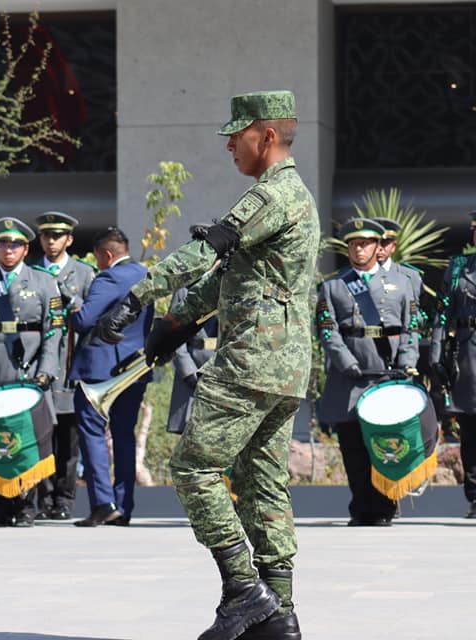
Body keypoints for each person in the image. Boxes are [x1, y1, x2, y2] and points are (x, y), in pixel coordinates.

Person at [96, 91, 317, 640]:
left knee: (193, 467)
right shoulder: (293, 199)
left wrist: (139, 295)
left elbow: (209, 251)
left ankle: (245, 592)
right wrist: (175, 324)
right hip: (283, 369)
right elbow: (227, 281)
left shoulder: (272, 194)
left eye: (236, 134)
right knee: (264, 484)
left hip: (249, 361)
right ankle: (279, 616)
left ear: (266, 136)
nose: (227, 144)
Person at [0, 216, 63, 527]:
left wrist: (46, 371)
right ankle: (1, 507)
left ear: (25, 248)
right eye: (3, 243)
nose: (8, 249)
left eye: (15, 244)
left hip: (29, 372)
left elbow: (54, 330)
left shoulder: (44, 281)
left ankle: (27, 506)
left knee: (30, 440)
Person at [317, 218, 417, 528]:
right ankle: (361, 508)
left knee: (385, 445)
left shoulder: (402, 283)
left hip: (386, 375)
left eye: (364, 244)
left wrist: (407, 360)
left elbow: (411, 327)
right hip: (351, 376)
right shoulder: (334, 285)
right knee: (354, 446)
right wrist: (345, 362)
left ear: (378, 247)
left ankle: (385, 506)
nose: (358, 249)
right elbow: (326, 330)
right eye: (353, 244)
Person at [69, 227, 152, 527]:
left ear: (106, 255)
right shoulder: (145, 273)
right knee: (124, 436)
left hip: (100, 370)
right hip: (134, 369)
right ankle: (124, 505)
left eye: (99, 258)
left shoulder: (109, 277)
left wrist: (73, 312)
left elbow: (85, 321)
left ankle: (103, 503)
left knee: (91, 432)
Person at [32, 211, 95, 521]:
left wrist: (70, 298)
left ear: (69, 239)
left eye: (57, 236)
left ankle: (64, 499)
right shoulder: (30, 272)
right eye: (46, 235)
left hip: (69, 364)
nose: (51, 241)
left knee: (69, 439)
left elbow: (93, 316)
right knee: (41, 435)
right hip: (39, 365)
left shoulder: (84, 273)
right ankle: (42, 499)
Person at [430, 210, 476, 519]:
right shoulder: (459, 267)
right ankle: (475, 495)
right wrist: (436, 352)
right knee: (471, 430)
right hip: (468, 355)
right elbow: (442, 313)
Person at [167, 287, 218, 436]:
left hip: (228, 369)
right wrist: (188, 372)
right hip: (194, 365)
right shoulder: (186, 289)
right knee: (190, 439)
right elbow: (175, 335)